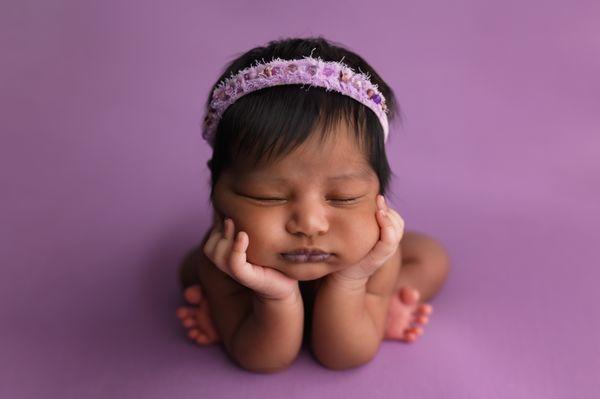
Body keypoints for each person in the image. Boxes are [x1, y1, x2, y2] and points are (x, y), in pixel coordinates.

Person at [176, 36, 450, 373]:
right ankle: (233, 312)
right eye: (268, 196)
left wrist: (352, 279)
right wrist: (272, 295)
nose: (309, 224)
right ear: (216, 191)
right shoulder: (225, 263)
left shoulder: (375, 256)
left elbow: (343, 356)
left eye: (344, 197)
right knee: (191, 270)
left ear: (378, 192)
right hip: (248, 285)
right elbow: (261, 359)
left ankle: (376, 308)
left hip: (358, 276)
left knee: (431, 258)